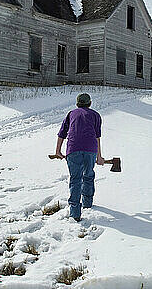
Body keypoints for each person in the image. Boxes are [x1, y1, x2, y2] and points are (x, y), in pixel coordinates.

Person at [55, 93, 105, 221]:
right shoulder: (95, 115)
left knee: (75, 179)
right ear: (90, 103)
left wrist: (58, 151)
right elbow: (97, 137)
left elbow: (62, 133)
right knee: (88, 175)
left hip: (73, 149)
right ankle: (87, 203)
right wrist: (99, 156)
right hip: (90, 150)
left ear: (77, 103)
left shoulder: (71, 114)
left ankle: (75, 213)